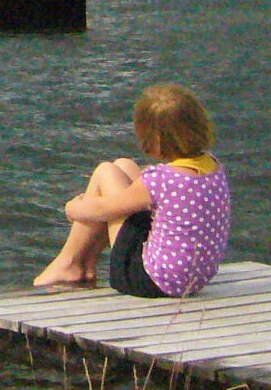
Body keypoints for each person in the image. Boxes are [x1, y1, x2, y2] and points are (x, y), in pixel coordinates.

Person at [30, 84, 230, 298]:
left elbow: (106, 209)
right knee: (124, 165)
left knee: (105, 171)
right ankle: (85, 264)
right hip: (191, 279)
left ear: (155, 139)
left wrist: (73, 208)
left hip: (149, 280)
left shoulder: (161, 180)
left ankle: (68, 262)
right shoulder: (212, 166)